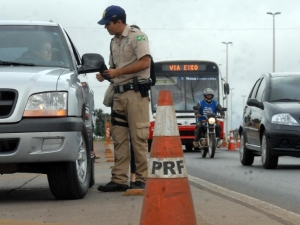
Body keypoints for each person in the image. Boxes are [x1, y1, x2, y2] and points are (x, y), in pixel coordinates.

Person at [96, 5, 151, 192]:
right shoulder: (113, 42)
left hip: (135, 94)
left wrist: (118, 71)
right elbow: (115, 69)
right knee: (119, 139)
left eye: (108, 24)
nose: (106, 27)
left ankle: (142, 178)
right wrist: (106, 75)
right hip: (118, 94)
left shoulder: (137, 36)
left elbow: (145, 62)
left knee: (138, 138)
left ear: (119, 21)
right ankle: (119, 179)